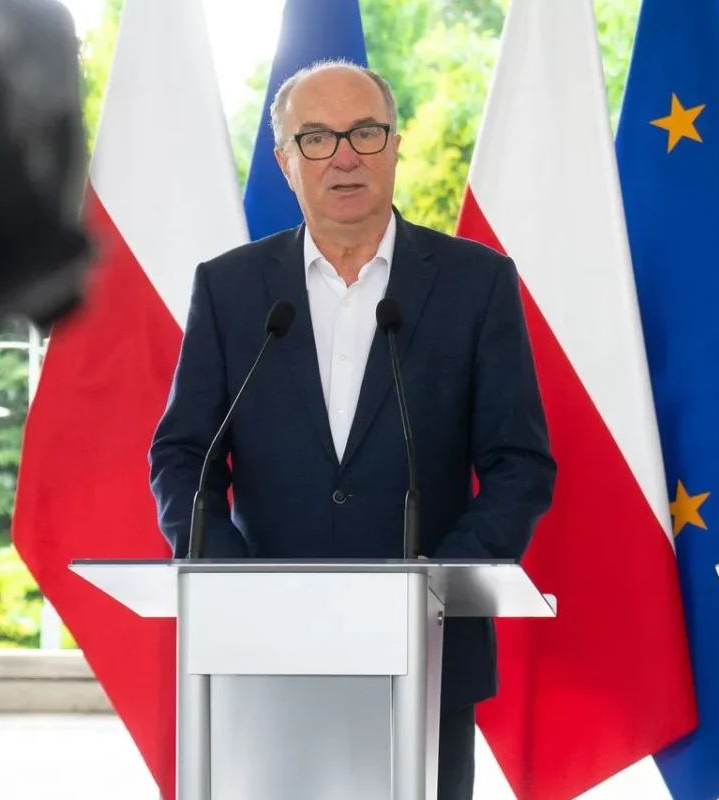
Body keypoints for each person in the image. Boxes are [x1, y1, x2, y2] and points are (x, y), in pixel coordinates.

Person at [147, 60, 555, 800]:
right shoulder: (232, 287)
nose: (345, 155)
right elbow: (183, 457)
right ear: (284, 161)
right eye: (317, 138)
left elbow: (520, 463)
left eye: (365, 133)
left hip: (426, 648)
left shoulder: (476, 282)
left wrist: (441, 581)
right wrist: (231, 581)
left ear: (396, 146)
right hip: (266, 646)